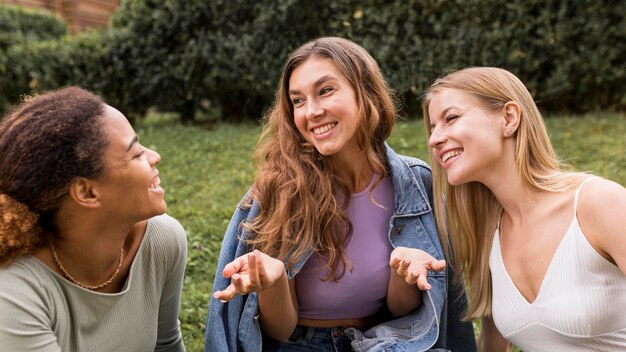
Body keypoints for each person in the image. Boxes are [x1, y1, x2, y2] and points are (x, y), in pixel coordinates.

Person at [205, 37, 476, 351]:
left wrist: (403, 274)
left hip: (385, 342)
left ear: (365, 92)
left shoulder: (415, 184)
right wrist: (275, 280)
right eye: (298, 100)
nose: (312, 112)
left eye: (325, 91)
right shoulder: (281, 190)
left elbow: (404, 312)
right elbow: (280, 329)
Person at [423, 67, 626, 352]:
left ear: (509, 118)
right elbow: (491, 347)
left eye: (451, 118)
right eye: (432, 129)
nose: (434, 140)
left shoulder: (598, 203)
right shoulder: (487, 237)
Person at [0, 87, 187, 351]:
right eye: (135, 154)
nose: (155, 156)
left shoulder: (162, 240)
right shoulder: (13, 293)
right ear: (87, 192)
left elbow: (166, 345)